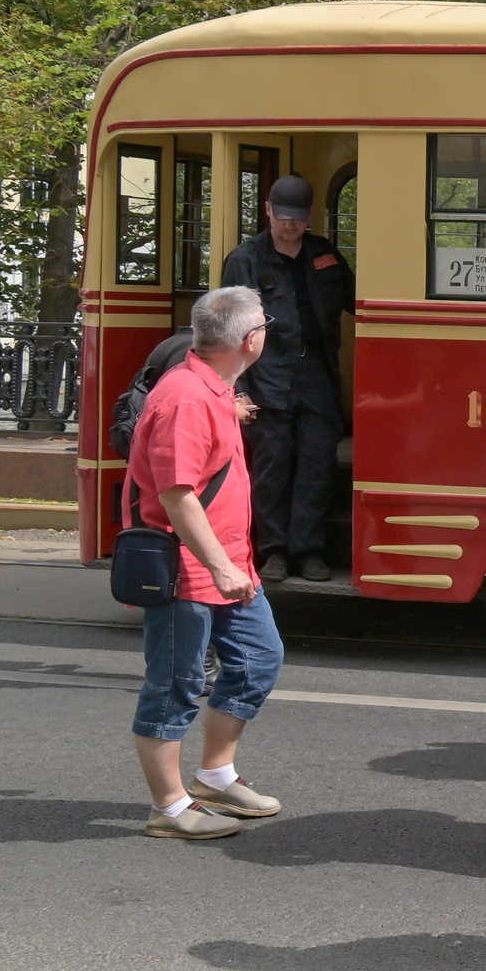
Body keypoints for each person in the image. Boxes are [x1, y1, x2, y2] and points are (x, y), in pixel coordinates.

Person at [123, 285, 289, 839]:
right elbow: (177, 495)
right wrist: (220, 566)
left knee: (257, 660)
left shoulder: (213, 388)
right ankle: (169, 807)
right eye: (265, 322)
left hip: (226, 565)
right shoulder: (187, 399)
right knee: (174, 684)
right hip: (188, 571)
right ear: (250, 339)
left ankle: (215, 775)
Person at [220, 173, 351, 583]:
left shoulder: (324, 254)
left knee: (317, 464)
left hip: (316, 372)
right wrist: (236, 391)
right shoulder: (245, 259)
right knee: (272, 466)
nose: (289, 225)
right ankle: (273, 550)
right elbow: (228, 331)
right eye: (282, 216)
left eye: (297, 217)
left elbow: (358, 299)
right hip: (265, 375)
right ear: (268, 211)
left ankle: (308, 550)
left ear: (310, 215)